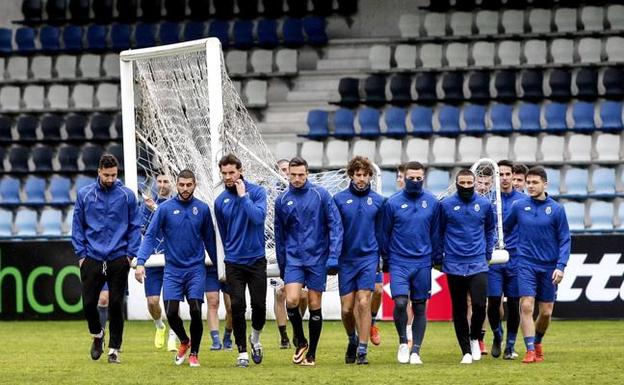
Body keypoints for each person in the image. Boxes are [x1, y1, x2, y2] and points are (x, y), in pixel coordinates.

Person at [135, 169, 217, 368]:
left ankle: (194, 354)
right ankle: (184, 341)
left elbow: (210, 241)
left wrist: (220, 268)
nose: (185, 189)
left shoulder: (203, 209)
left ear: (195, 184)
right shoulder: (164, 209)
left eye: (189, 185)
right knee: (171, 312)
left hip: (196, 269)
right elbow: (151, 236)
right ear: (177, 185)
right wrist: (140, 262)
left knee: (196, 310)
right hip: (172, 270)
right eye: (182, 185)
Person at [72, 154, 141, 364]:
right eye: (106, 175)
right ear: (99, 172)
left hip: (118, 257)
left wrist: (130, 255)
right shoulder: (84, 195)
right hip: (91, 257)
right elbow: (77, 226)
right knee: (89, 304)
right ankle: (97, 335)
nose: (110, 178)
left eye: (113, 175)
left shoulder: (127, 195)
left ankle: (114, 349)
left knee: (116, 304)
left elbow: (134, 226)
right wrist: (81, 255)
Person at [275, 156, 343, 366]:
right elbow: (279, 234)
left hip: (317, 258)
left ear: (308, 174)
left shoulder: (320, 195)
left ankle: (312, 353)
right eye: (293, 175)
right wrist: (282, 262)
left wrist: (333, 255)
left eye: (301, 175)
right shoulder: (282, 199)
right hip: (294, 259)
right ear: (288, 174)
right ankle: (301, 340)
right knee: (292, 300)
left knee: (314, 304)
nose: (297, 178)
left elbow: (335, 225)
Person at [503, 166, 570, 364]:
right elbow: (504, 229)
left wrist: (561, 265)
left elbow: (565, 239)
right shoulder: (519, 206)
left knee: (546, 312)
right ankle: (530, 349)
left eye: (534, 183)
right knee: (525, 304)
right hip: (525, 263)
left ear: (545, 184)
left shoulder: (557, 209)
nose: (530, 186)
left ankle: (538, 341)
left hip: (549, 266)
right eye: (528, 182)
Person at [381, 161, 440, 365]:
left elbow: (436, 232)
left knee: (420, 306)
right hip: (399, 261)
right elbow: (385, 233)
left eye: (419, 178)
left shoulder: (432, 202)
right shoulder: (392, 203)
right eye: (411, 178)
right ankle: (402, 342)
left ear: (424, 178)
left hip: (423, 262)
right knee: (400, 302)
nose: (415, 181)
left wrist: (436, 256)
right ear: (403, 177)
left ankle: (416, 351)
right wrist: (386, 259)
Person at [214, 154, 268, 368]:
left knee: (259, 306)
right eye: (224, 173)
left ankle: (255, 339)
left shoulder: (257, 192)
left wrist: (243, 196)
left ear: (240, 170)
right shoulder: (220, 201)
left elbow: (258, 218)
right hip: (234, 262)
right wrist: (232, 253)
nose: (228, 177)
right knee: (237, 306)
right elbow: (225, 233)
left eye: (231, 172)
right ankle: (242, 352)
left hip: (256, 260)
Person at [438, 168, 496, 365]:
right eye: (461, 183)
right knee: (460, 308)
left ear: (474, 183)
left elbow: (490, 229)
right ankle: (465, 351)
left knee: (480, 305)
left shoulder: (484, 204)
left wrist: (488, 252)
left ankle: (474, 338)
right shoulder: (445, 205)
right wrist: (440, 256)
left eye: (469, 183)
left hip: (478, 262)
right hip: (454, 264)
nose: (465, 187)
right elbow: (439, 231)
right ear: (456, 183)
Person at [333, 156, 385, 365]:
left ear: (370, 176)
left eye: (365, 175)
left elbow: (382, 232)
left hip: (368, 258)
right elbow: (334, 230)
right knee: (346, 309)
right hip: (346, 259)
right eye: (358, 175)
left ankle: (363, 351)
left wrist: (383, 257)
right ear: (351, 176)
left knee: (364, 302)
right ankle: (352, 339)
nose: (361, 179)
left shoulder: (379, 201)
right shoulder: (338, 199)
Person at [487, 160, 524, 359]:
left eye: (507, 174)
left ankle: (510, 346)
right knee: (493, 301)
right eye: (499, 174)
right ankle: (497, 334)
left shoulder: (523, 200)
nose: (504, 178)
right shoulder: (488, 200)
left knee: (514, 303)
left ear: (512, 175)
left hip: (516, 258)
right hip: (494, 259)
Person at [139, 171, 178, 351]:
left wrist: (156, 208)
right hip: (153, 259)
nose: (162, 184)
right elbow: (143, 230)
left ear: (172, 183)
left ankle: (173, 334)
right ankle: (160, 326)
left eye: (166, 181)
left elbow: (177, 227)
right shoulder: (146, 205)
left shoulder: (177, 203)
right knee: (152, 302)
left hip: (172, 258)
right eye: (159, 181)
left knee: (171, 300)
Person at [273, 158, 308, 349]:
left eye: (289, 169)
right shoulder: (275, 195)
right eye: (285, 171)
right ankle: (284, 335)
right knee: (280, 294)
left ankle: (297, 328)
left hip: (302, 253)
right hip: (277, 249)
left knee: (301, 296)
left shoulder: (304, 194)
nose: (289, 174)